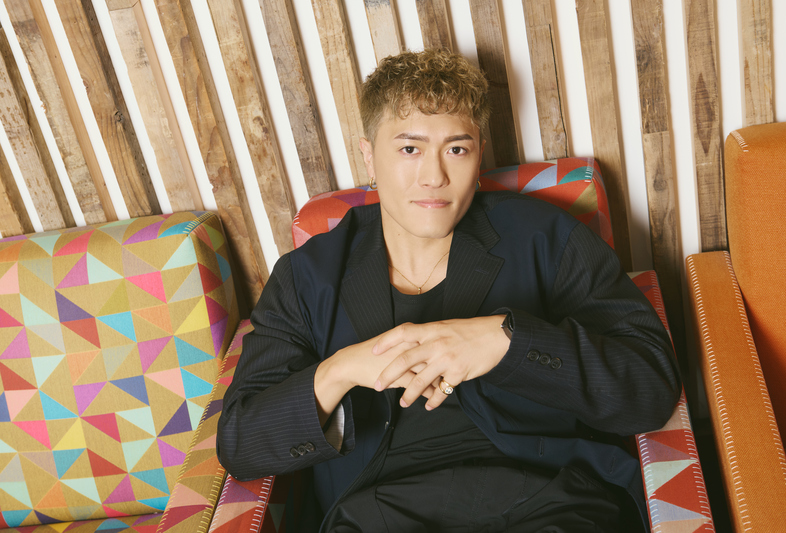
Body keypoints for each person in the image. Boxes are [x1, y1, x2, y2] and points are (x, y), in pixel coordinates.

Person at [217, 49, 681, 532]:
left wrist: (507, 341)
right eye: (409, 149)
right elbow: (241, 444)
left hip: (547, 500)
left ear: (479, 154)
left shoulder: (543, 236)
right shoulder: (307, 275)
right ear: (368, 156)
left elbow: (651, 386)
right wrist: (342, 370)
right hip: (375, 516)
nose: (434, 177)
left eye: (456, 149)